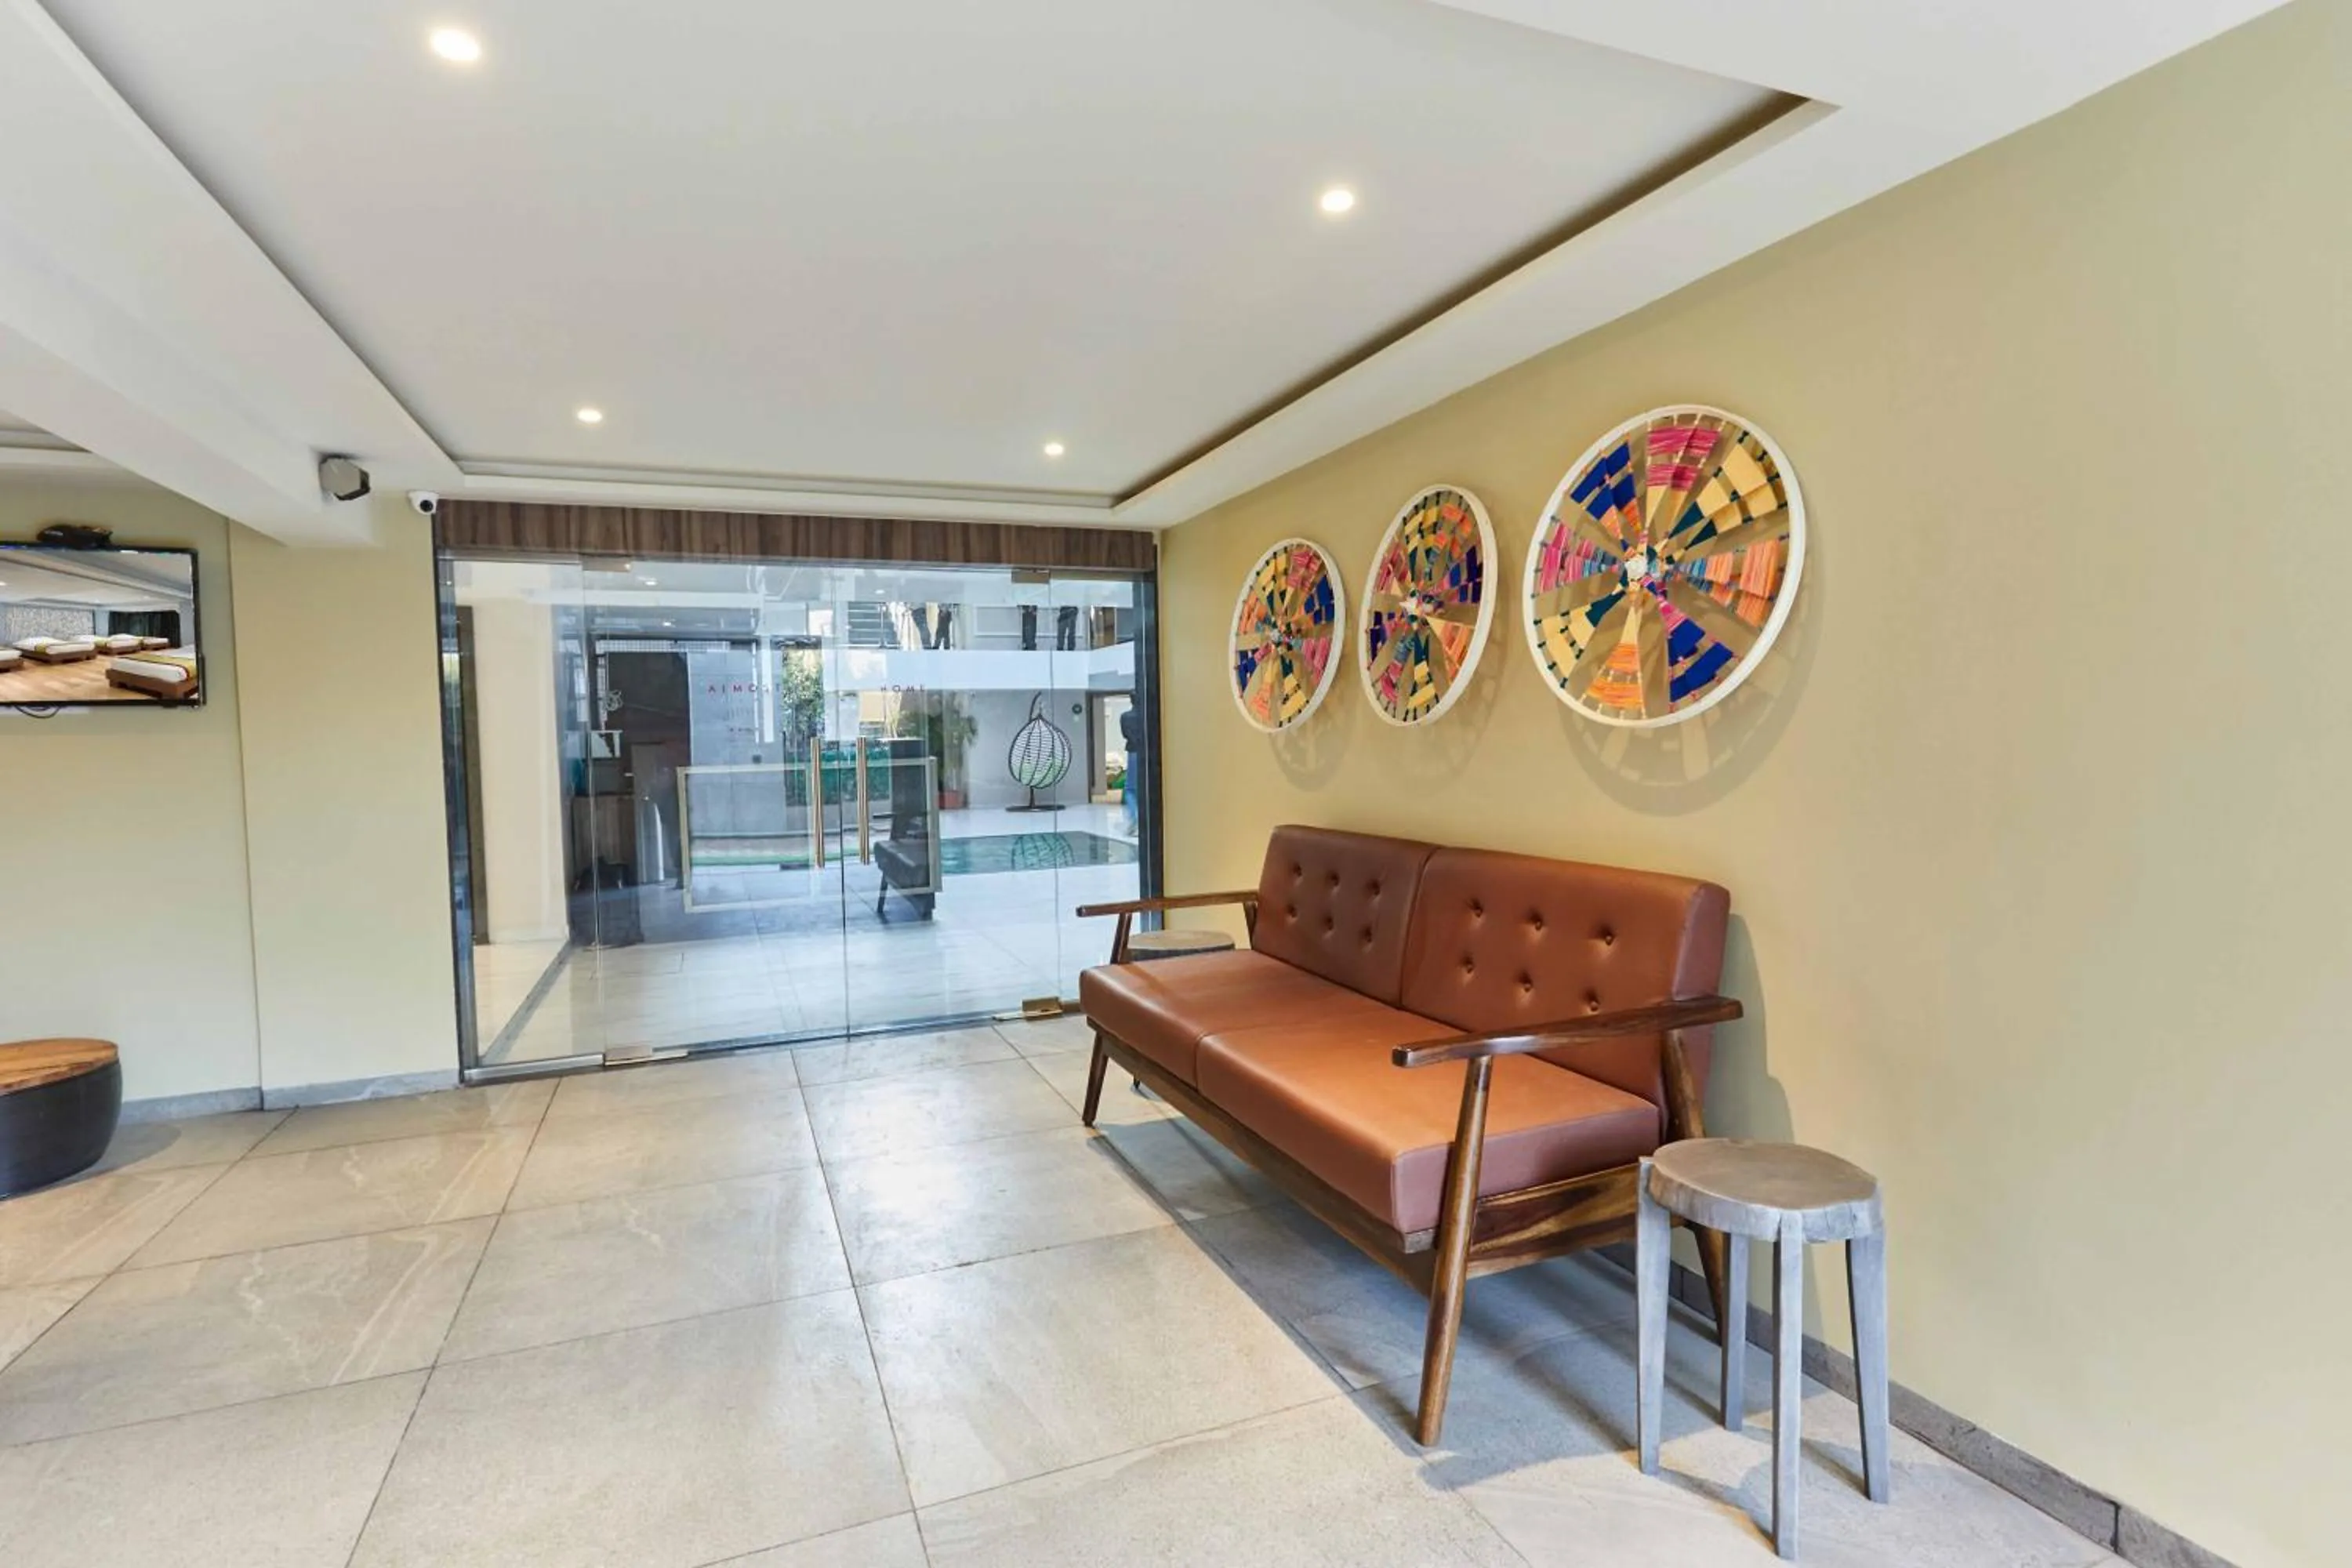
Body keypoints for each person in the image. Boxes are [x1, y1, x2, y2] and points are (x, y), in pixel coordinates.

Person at [1118, 702, 1142, 837]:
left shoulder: (1125, 717)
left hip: (1133, 752)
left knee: (1131, 789)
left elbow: (1125, 734)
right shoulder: (1147, 716)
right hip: (1149, 753)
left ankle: (1134, 818)